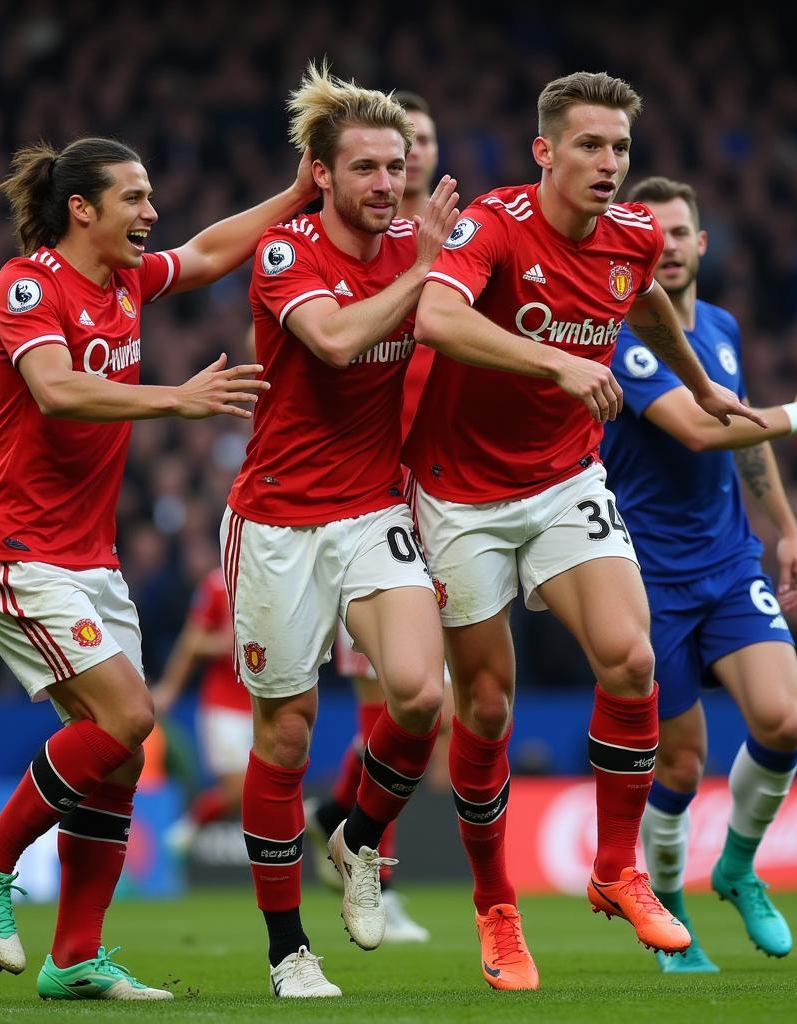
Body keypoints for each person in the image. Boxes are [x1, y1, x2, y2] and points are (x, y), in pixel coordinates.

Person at [406, 71, 768, 990]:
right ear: (545, 152)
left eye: (620, 149)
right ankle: (496, 906)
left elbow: (645, 300)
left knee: (632, 659)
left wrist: (696, 382)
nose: (609, 164)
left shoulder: (635, 236)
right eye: (590, 146)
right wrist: (558, 365)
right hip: (461, 495)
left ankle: (615, 869)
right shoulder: (494, 223)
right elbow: (438, 316)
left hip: (566, 478)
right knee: (486, 709)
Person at [0, 135, 317, 1001]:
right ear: (83, 208)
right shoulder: (28, 283)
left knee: (115, 759)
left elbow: (214, 250)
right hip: (17, 548)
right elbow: (58, 390)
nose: (152, 214)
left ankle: (74, 959)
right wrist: (176, 398)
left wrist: (295, 193)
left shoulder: (126, 283)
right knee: (126, 718)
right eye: (135, 199)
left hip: (90, 558)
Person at [224, 62, 459, 998]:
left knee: (419, 696)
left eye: (396, 165)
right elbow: (332, 341)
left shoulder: (417, 240)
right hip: (279, 518)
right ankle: (288, 951)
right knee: (285, 734)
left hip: (371, 508)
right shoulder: (287, 252)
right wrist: (429, 270)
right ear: (322, 174)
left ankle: (357, 835)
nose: (386, 183)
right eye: (365, 166)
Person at [601, 175, 797, 972]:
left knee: (783, 722)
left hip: (728, 560)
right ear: (633, 247)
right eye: (652, 234)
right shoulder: (619, 331)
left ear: (701, 244)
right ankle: (671, 910)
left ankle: (737, 867)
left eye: (680, 232)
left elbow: (744, 437)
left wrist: (786, 531)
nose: (667, 246)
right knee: (679, 764)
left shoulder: (722, 327)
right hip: (648, 579)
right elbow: (704, 432)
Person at [304, 89, 446, 946]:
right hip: (362, 502)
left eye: (416, 150)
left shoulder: (445, 251)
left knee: (436, 705)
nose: (407, 164)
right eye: (394, 153)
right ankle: (369, 868)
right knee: (396, 693)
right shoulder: (354, 256)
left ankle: (344, 818)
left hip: (441, 500)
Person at [151, 564, 250, 856]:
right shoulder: (218, 584)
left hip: (270, 702)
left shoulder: (283, 575)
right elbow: (192, 640)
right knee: (237, 790)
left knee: (270, 786)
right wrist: (169, 688)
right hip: (226, 706)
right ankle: (190, 827)